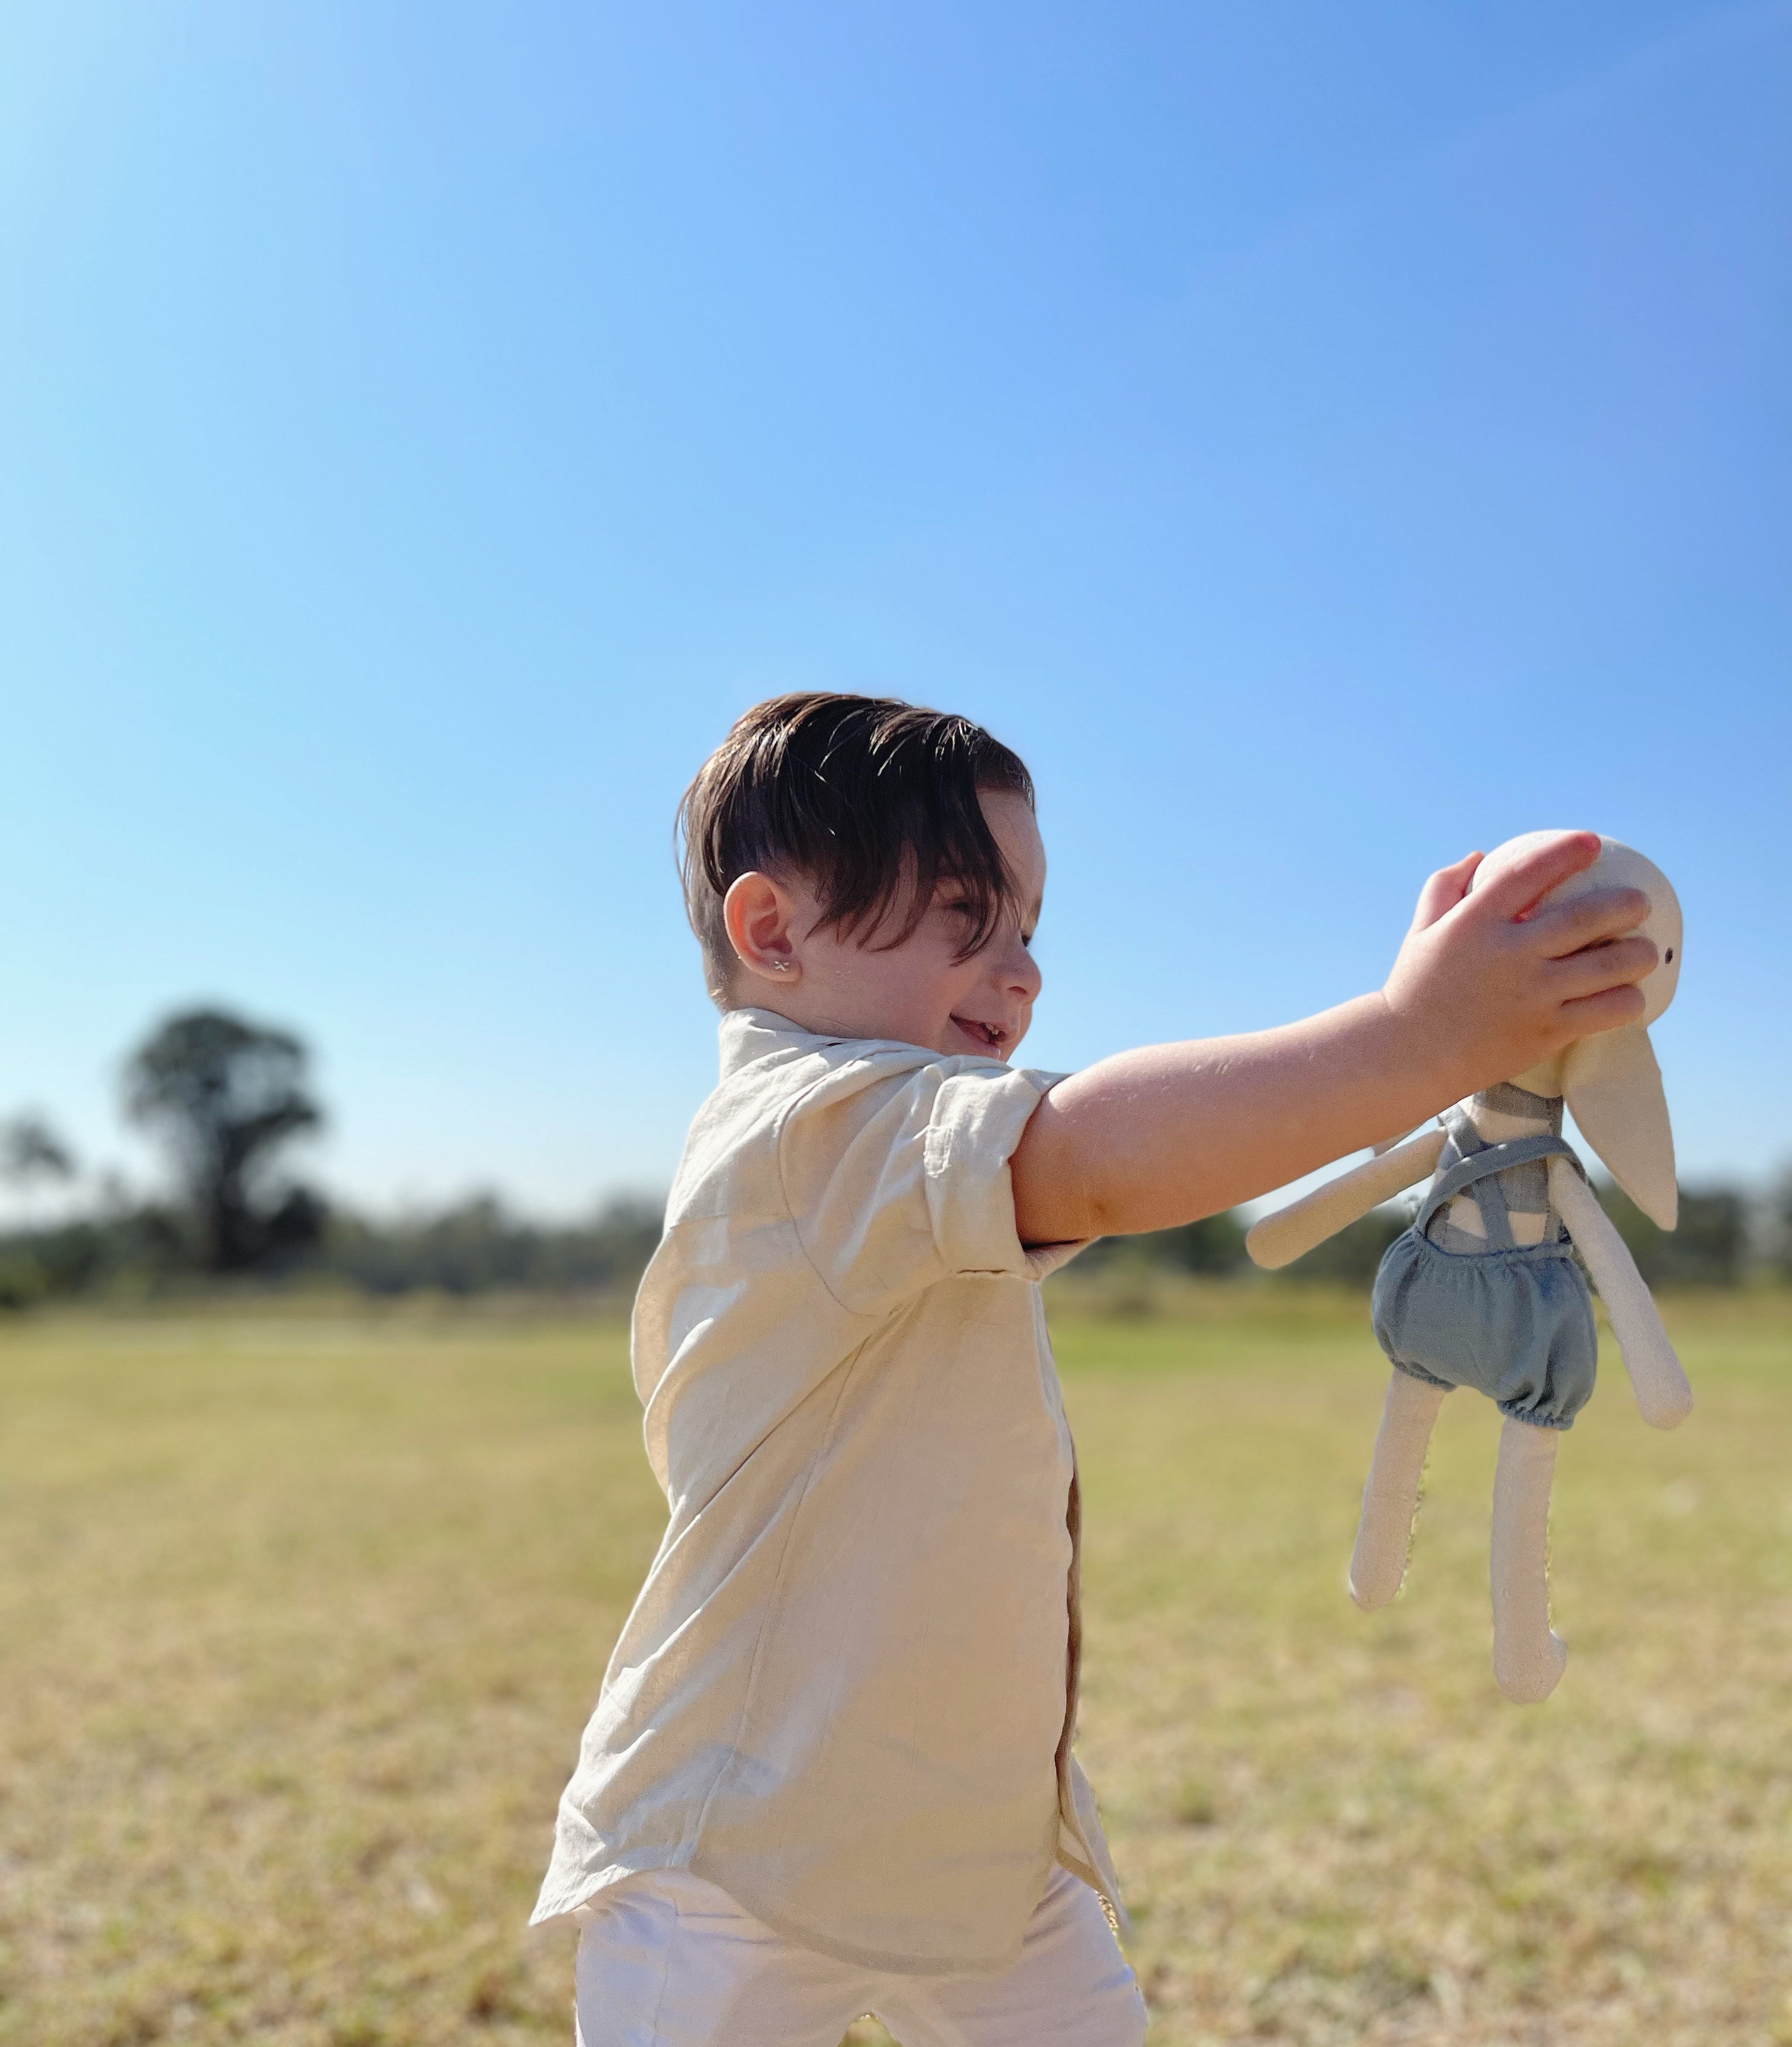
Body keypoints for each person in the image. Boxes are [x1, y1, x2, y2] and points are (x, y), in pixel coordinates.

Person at [535, 693, 1657, 2046]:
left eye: (1028, 926)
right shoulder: (807, 1126)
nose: (1021, 970)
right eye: (965, 912)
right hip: (732, 1857)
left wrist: (1442, 1051)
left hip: (976, 1837)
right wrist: (1419, 1038)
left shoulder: (883, 1154)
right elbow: (1106, 1156)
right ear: (773, 933)